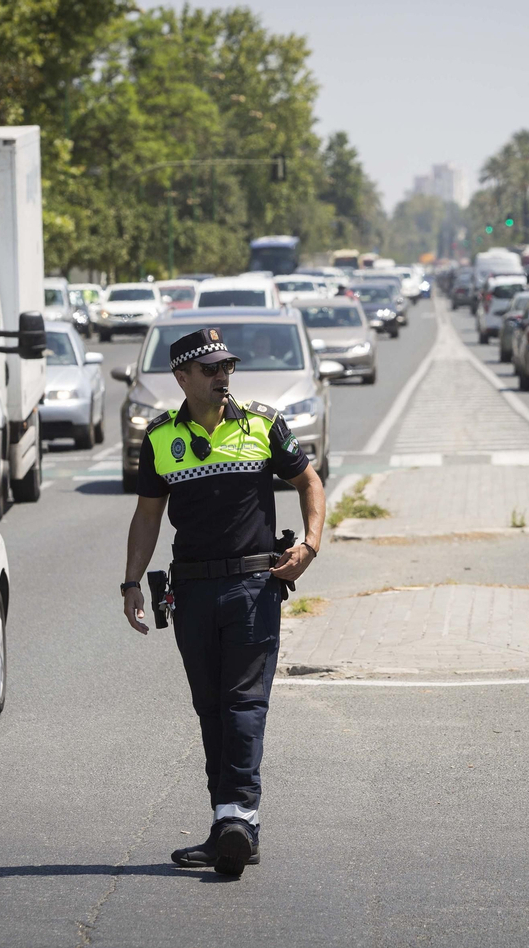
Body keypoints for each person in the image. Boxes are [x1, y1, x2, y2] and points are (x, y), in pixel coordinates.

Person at [121, 327, 326, 878]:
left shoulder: (261, 422)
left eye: (227, 367)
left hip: (253, 588)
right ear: (182, 378)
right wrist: (131, 582)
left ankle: (238, 819)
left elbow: (310, 482)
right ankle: (231, 824)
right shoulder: (161, 437)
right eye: (210, 370)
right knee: (210, 708)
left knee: (242, 706)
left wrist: (309, 545)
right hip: (190, 592)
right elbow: (147, 515)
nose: (222, 377)